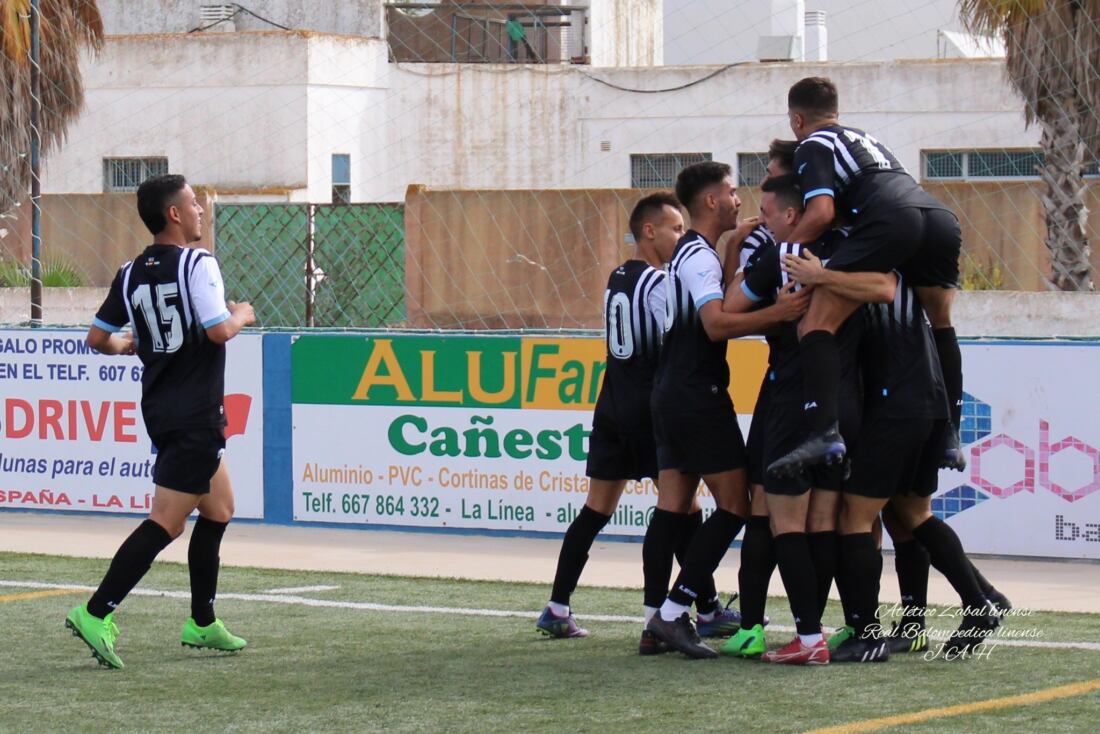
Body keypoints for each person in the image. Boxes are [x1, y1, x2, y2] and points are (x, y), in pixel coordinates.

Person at [65, 174, 255, 669]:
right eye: (194, 203)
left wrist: (124, 343)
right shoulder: (199, 263)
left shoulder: (130, 272)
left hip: (162, 409)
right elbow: (217, 332)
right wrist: (242, 315)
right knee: (166, 523)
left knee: (219, 509)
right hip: (195, 414)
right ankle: (95, 611)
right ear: (174, 214)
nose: (201, 211)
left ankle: (202, 622)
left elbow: (96, 338)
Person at [538, 193, 739, 649]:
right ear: (649, 231)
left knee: (596, 510)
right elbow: (683, 331)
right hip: (647, 406)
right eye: (674, 228)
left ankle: (557, 607)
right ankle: (694, 611)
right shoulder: (660, 283)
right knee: (682, 510)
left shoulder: (618, 276)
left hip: (611, 404)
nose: (680, 237)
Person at [784, 249, 999, 662]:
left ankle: (867, 634)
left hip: (896, 405)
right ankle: (970, 609)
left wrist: (820, 274)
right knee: (911, 516)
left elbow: (876, 294)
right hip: (926, 402)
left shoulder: (868, 261)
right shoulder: (904, 256)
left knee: (854, 517)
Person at [643, 162, 809, 659]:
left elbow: (712, 284)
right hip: (698, 394)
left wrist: (734, 244)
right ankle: (674, 612)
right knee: (737, 504)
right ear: (712, 201)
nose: (741, 201)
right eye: (733, 193)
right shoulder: (696, 258)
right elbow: (716, 325)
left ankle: (654, 623)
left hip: (670, 392)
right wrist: (776, 314)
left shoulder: (689, 254)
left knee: (673, 507)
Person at [726, 174, 889, 664]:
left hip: (792, 398)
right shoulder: (852, 248)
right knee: (824, 521)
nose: (763, 220)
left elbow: (731, 309)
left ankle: (809, 639)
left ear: (794, 215)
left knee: (784, 524)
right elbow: (885, 289)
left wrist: (775, 309)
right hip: (844, 401)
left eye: (769, 212)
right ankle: (839, 628)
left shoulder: (781, 253)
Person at [769, 77, 966, 479]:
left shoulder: (812, 144)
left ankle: (823, 431)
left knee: (815, 322)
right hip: (937, 217)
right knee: (941, 322)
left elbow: (821, 212)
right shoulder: (863, 137)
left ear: (797, 118)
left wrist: (789, 247)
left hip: (891, 218)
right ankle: (950, 433)